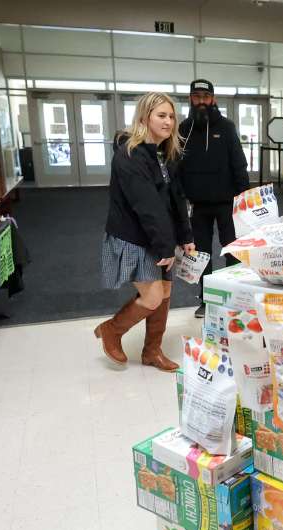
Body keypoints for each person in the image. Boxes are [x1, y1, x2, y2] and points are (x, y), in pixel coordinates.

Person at [95, 92, 194, 371]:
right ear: (144, 117)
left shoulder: (165, 153)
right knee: (152, 297)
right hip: (133, 237)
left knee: (165, 292)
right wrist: (165, 246)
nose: (168, 121)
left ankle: (152, 351)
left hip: (158, 234)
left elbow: (177, 198)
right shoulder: (129, 154)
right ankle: (112, 330)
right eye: (161, 115)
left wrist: (185, 237)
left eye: (171, 116)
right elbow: (146, 205)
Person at [178, 79, 250, 318]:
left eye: (205, 97)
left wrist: (244, 199)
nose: (201, 101)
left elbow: (239, 164)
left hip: (227, 203)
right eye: (197, 96)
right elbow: (176, 168)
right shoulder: (183, 129)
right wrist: (179, 199)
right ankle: (207, 300)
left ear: (213, 99)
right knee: (201, 255)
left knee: (232, 251)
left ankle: (234, 298)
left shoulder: (226, 127)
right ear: (190, 98)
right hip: (197, 206)